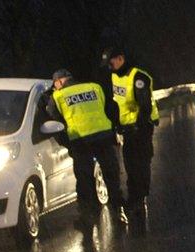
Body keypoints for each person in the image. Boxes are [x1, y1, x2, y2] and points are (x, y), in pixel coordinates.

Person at [46, 69, 127, 227]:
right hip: (103, 137)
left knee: (84, 180)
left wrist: (67, 144)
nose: (54, 88)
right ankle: (119, 210)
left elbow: (56, 124)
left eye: (55, 84)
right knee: (111, 175)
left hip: (80, 142)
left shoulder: (57, 96)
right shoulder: (94, 87)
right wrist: (114, 130)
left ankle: (88, 218)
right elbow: (110, 108)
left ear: (60, 81)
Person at [101, 46, 159, 216]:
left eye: (111, 62)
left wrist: (137, 127)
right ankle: (133, 197)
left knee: (140, 163)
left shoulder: (138, 77)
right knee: (130, 163)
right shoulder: (115, 76)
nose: (109, 67)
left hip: (141, 127)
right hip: (127, 128)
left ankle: (140, 199)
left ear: (120, 59)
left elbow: (145, 106)